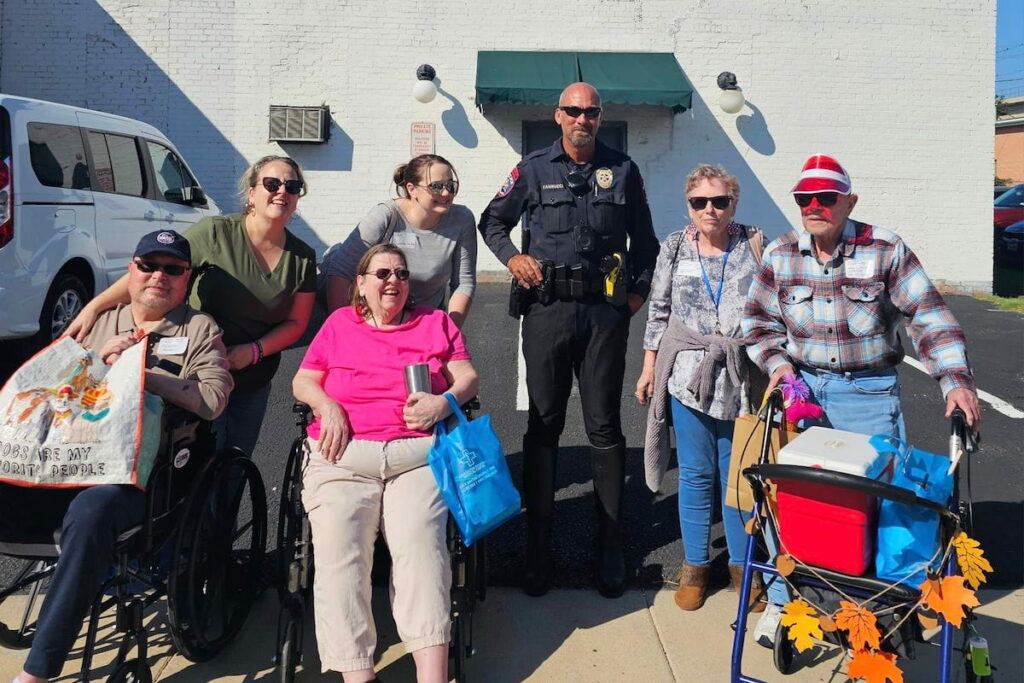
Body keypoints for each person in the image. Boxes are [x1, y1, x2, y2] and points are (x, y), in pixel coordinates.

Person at [741, 153, 981, 645]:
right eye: (804, 198)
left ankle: (870, 615)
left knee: (873, 510)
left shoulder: (885, 249)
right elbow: (757, 324)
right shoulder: (780, 253)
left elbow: (929, 318)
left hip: (867, 393)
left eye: (827, 197)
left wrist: (955, 380)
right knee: (792, 503)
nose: (815, 206)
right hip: (801, 393)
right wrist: (782, 371)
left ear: (849, 201)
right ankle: (788, 602)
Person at [6, 230, 232, 683]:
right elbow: (51, 390)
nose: (158, 277)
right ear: (131, 269)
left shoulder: (198, 329)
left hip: (140, 475)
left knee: (92, 512)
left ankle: (38, 672)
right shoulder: (100, 319)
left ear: (186, 280)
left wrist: (144, 375)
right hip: (65, 460)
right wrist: (96, 366)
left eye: (173, 270)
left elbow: (214, 400)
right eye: (149, 265)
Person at [478, 82, 659, 598]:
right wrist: (512, 257)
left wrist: (633, 301)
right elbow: (492, 221)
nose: (583, 118)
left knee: (604, 426)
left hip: (604, 315)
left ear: (601, 117)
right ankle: (539, 547)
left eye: (592, 112)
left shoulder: (624, 170)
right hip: (547, 311)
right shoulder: (533, 168)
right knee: (544, 423)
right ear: (558, 115)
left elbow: (645, 243)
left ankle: (610, 545)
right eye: (574, 110)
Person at [292, 243, 479, 683]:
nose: (392, 280)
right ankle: (358, 673)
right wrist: (326, 405)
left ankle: (432, 675)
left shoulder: (435, 323)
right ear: (360, 283)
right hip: (342, 459)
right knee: (340, 552)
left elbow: (467, 375)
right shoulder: (339, 324)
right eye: (381, 274)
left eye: (400, 273)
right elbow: (303, 380)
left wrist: (442, 402)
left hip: (414, 458)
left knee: (422, 546)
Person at [67, 156, 317, 457]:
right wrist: (94, 306)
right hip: (194, 371)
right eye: (272, 183)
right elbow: (151, 271)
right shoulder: (214, 233)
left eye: (292, 186)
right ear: (251, 193)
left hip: (252, 379)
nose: (282, 192)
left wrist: (253, 352)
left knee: (235, 466)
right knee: (189, 466)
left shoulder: (301, 256)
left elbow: (297, 323)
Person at [635, 164, 776, 612]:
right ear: (688, 206)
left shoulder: (756, 243)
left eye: (720, 201)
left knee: (738, 477)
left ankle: (742, 570)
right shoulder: (674, 247)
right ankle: (695, 567)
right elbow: (658, 310)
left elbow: (775, 307)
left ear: (735, 203)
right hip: (687, 376)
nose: (710, 209)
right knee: (695, 475)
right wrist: (648, 367)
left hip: (743, 376)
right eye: (700, 202)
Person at [322, 154, 477, 327]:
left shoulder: (462, 220)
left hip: (425, 321)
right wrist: (345, 329)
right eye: (436, 186)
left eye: (450, 185)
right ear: (412, 189)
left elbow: (463, 281)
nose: (446, 193)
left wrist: (450, 332)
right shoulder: (386, 216)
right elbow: (340, 271)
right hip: (377, 320)